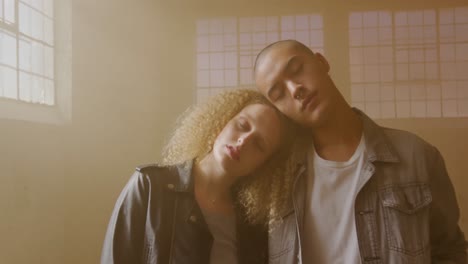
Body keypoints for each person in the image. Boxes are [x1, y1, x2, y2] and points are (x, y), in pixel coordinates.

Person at [254, 39, 467, 263]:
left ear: (321, 62)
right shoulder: (276, 177)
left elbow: (449, 250)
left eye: (297, 69)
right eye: (278, 94)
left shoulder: (416, 155)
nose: (295, 89)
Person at [101, 89, 298, 264]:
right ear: (223, 120)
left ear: (261, 166)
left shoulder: (253, 225)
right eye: (242, 125)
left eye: (259, 144)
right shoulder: (150, 186)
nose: (243, 140)